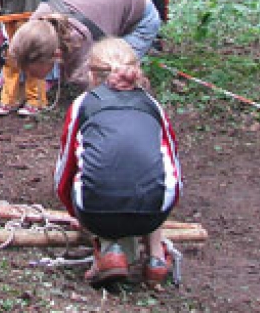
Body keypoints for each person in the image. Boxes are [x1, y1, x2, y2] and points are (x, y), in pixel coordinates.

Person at [52, 38, 182, 287]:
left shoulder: (82, 105)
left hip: (96, 212)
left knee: (104, 176)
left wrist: (77, 212)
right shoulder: (153, 106)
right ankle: (156, 258)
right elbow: (173, 169)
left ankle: (109, 250)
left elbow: (65, 169)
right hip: (153, 212)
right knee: (148, 176)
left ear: (92, 74)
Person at [12, 0, 161, 86]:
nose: (28, 76)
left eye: (31, 73)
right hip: (111, 1)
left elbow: (93, 85)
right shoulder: (36, 24)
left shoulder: (80, 43)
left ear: (56, 54)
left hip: (141, 17)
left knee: (114, 79)